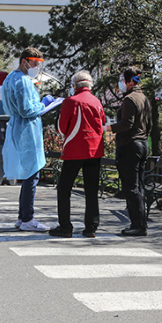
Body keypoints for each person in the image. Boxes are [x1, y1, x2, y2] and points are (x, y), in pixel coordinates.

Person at [49, 71, 105, 238]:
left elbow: (61, 128)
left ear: (74, 86)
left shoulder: (71, 101)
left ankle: (65, 226)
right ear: (89, 85)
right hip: (95, 151)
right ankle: (91, 227)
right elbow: (101, 122)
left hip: (75, 150)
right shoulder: (97, 101)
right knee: (91, 190)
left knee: (64, 188)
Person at [1, 47, 49, 231]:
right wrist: (44, 104)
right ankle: (28, 218)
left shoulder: (9, 79)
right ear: (24, 61)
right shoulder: (23, 82)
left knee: (28, 173)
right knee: (32, 174)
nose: (36, 67)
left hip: (17, 127)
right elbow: (26, 110)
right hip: (27, 130)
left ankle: (22, 217)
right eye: (35, 63)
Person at [111, 65, 152, 237]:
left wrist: (108, 128)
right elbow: (149, 124)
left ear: (128, 81)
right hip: (142, 144)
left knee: (131, 187)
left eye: (122, 79)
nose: (120, 82)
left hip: (130, 145)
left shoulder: (130, 99)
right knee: (139, 186)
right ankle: (141, 222)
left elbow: (126, 124)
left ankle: (137, 225)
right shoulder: (144, 98)